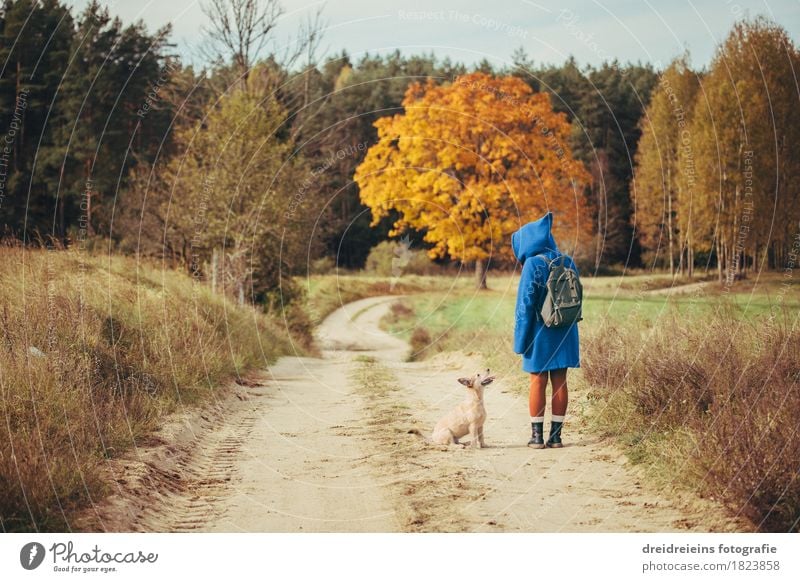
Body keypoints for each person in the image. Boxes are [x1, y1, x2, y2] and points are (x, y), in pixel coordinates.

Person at [511, 212, 580, 449]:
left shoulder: (533, 264)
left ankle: (537, 437)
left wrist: (520, 341)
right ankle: (557, 437)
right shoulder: (567, 260)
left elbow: (525, 306)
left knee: (537, 381)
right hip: (566, 330)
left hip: (540, 333)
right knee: (560, 382)